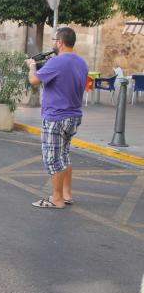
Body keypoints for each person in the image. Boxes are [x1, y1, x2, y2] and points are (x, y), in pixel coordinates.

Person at [27, 27, 88, 209]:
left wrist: (31, 66)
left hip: (56, 117)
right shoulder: (81, 62)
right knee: (64, 156)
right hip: (74, 116)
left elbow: (34, 80)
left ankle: (57, 198)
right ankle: (66, 194)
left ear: (60, 42)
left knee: (53, 158)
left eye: (54, 39)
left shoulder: (57, 62)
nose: (53, 43)